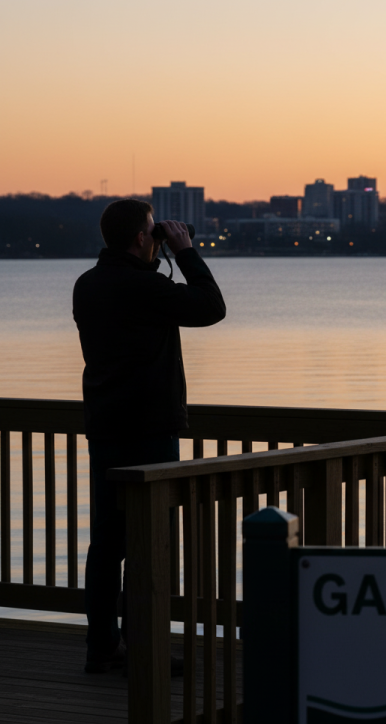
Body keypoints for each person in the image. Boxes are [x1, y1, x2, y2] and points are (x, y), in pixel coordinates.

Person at [73, 199, 226, 673]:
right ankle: (146, 650)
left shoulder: (88, 284)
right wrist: (184, 252)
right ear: (142, 237)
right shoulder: (145, 286)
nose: (156, 236)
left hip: (106, 427)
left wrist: (159, 258)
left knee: (107, 545)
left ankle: (103, 646)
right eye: (151, 231)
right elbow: (211, 307)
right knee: (149, 543)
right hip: (150, 429)